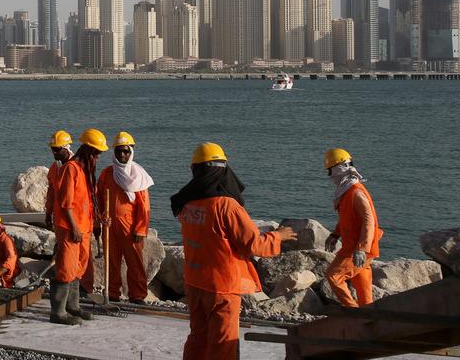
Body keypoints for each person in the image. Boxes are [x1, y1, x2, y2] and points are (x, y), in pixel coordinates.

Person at [171, 142, 298, 360]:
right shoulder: (226, 206)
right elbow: (254, 244)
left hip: (194, 281)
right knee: (223, 343)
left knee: (198, 338)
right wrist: (279, 236)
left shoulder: (187, 203)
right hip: (222, 285)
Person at [48, 128, 107, 325]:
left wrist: (99, 219)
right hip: (69, 227)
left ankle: (72, 306)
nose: (98, 157)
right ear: (88, 150)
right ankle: (58, 312)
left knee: (78, 268)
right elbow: (66, 203)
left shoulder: (86, 171)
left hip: (84, 227)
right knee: (66, 268)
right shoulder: (71, 169)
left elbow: (89, 202)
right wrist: (73, 226)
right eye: (96, 153)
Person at [96, 131, 153, 304]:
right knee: (111, 261)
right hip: (110, 225)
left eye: (126, 151)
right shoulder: (107, 173)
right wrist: (100, 217)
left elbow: (144, 206)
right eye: (119, 151)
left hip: (131, 227)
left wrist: (141, 229)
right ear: (114, 152)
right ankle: (112, 292)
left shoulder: (138, 176)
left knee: (134, 262)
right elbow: (98, 198)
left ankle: (137, 295)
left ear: (131, 152)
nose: (122, 154)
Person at [323, 148, 383, 308]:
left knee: (333, 275)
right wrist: (335, 234)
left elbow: (369, 221)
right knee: (362, 283)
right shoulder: (346, 191)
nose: (330, 175)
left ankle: (353, 312)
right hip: (357, 247)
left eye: (330, 170)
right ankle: (367, 315)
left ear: (339, 168)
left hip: (356, 249)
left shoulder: (356, 192)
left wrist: (361, 249)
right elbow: (347, 218)